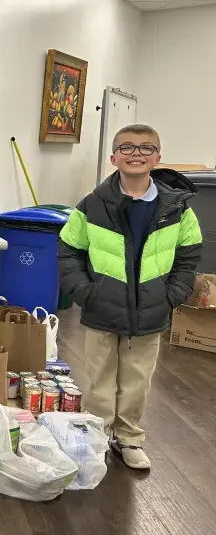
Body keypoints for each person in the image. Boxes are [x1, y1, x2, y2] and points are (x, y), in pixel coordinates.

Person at [58, 124, 202, 470]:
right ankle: (97, 434)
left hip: (151, 310)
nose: (136, 153)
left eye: (145, 148)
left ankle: (128, 438)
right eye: (127, 147)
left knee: (137, 381)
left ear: (158, 157)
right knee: (100, 379)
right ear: (113, 158)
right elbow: (68, 249)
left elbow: (189, 256)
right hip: (102, 307)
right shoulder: (92, 205)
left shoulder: (178, 209)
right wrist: (85, 292)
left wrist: (172, 294)